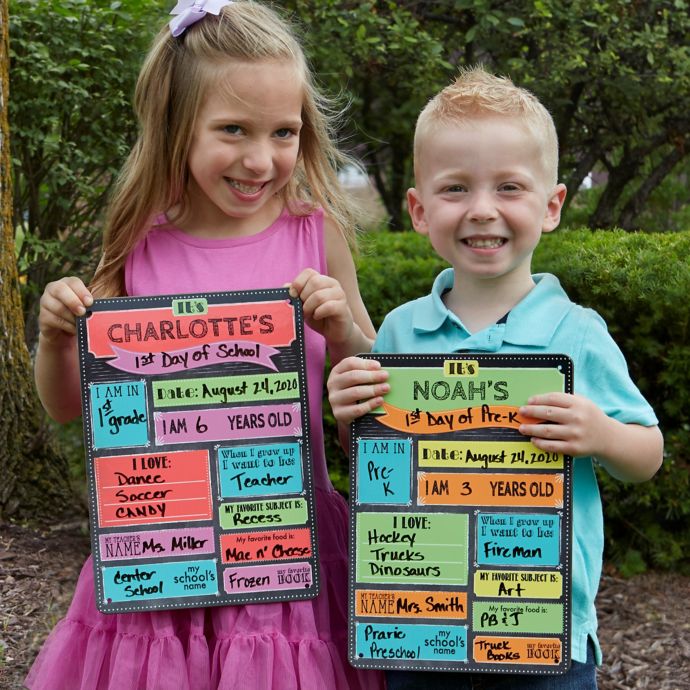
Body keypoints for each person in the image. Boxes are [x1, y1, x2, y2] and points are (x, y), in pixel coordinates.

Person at [26, 2, 385, 689]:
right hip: (163, 549)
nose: (261, 159)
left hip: (285, 552)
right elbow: (71, 407)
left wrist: (342, 332)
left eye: (284, 132)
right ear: (175, 129)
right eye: (232, 131)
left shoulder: (317, 232)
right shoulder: (138, 243)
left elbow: (369, 407)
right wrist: (53, 338)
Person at [327, 66, 664, 690]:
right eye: (456, 189)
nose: (483, 210)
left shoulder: (577, 332)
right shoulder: (399, 333)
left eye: (509, 186)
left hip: (545, 633)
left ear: (552, 205)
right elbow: (383, 475)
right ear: (420, 210)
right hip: (421, 623)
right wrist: (353, 421)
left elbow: (646, 454)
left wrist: (601, 435)